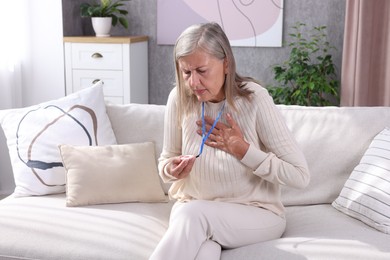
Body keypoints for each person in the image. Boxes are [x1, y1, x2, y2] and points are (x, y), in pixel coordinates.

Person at [150, 22, 310, 260]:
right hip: (193, 209)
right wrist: (171, 169)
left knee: (195, 216)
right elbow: (166, 160)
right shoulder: (179, 98)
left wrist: (244, 150)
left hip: (256, 213)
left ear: (226, 64)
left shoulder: (255, 99)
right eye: (186, 73)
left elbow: (300, 176)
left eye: (202, 71)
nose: (193, 82)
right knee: (204, 250)